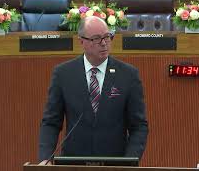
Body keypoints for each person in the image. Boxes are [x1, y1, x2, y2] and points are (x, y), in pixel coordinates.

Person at [38, 16, 148, 164]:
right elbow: (51, 122)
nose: (104, 44)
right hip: (73, 164)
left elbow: (139, 126)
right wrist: (45, 158)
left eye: (107, 37)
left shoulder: (128, 75)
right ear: (81, 41)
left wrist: (129, 162)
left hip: (114, 165)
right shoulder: (63, 74)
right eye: (96, 38)